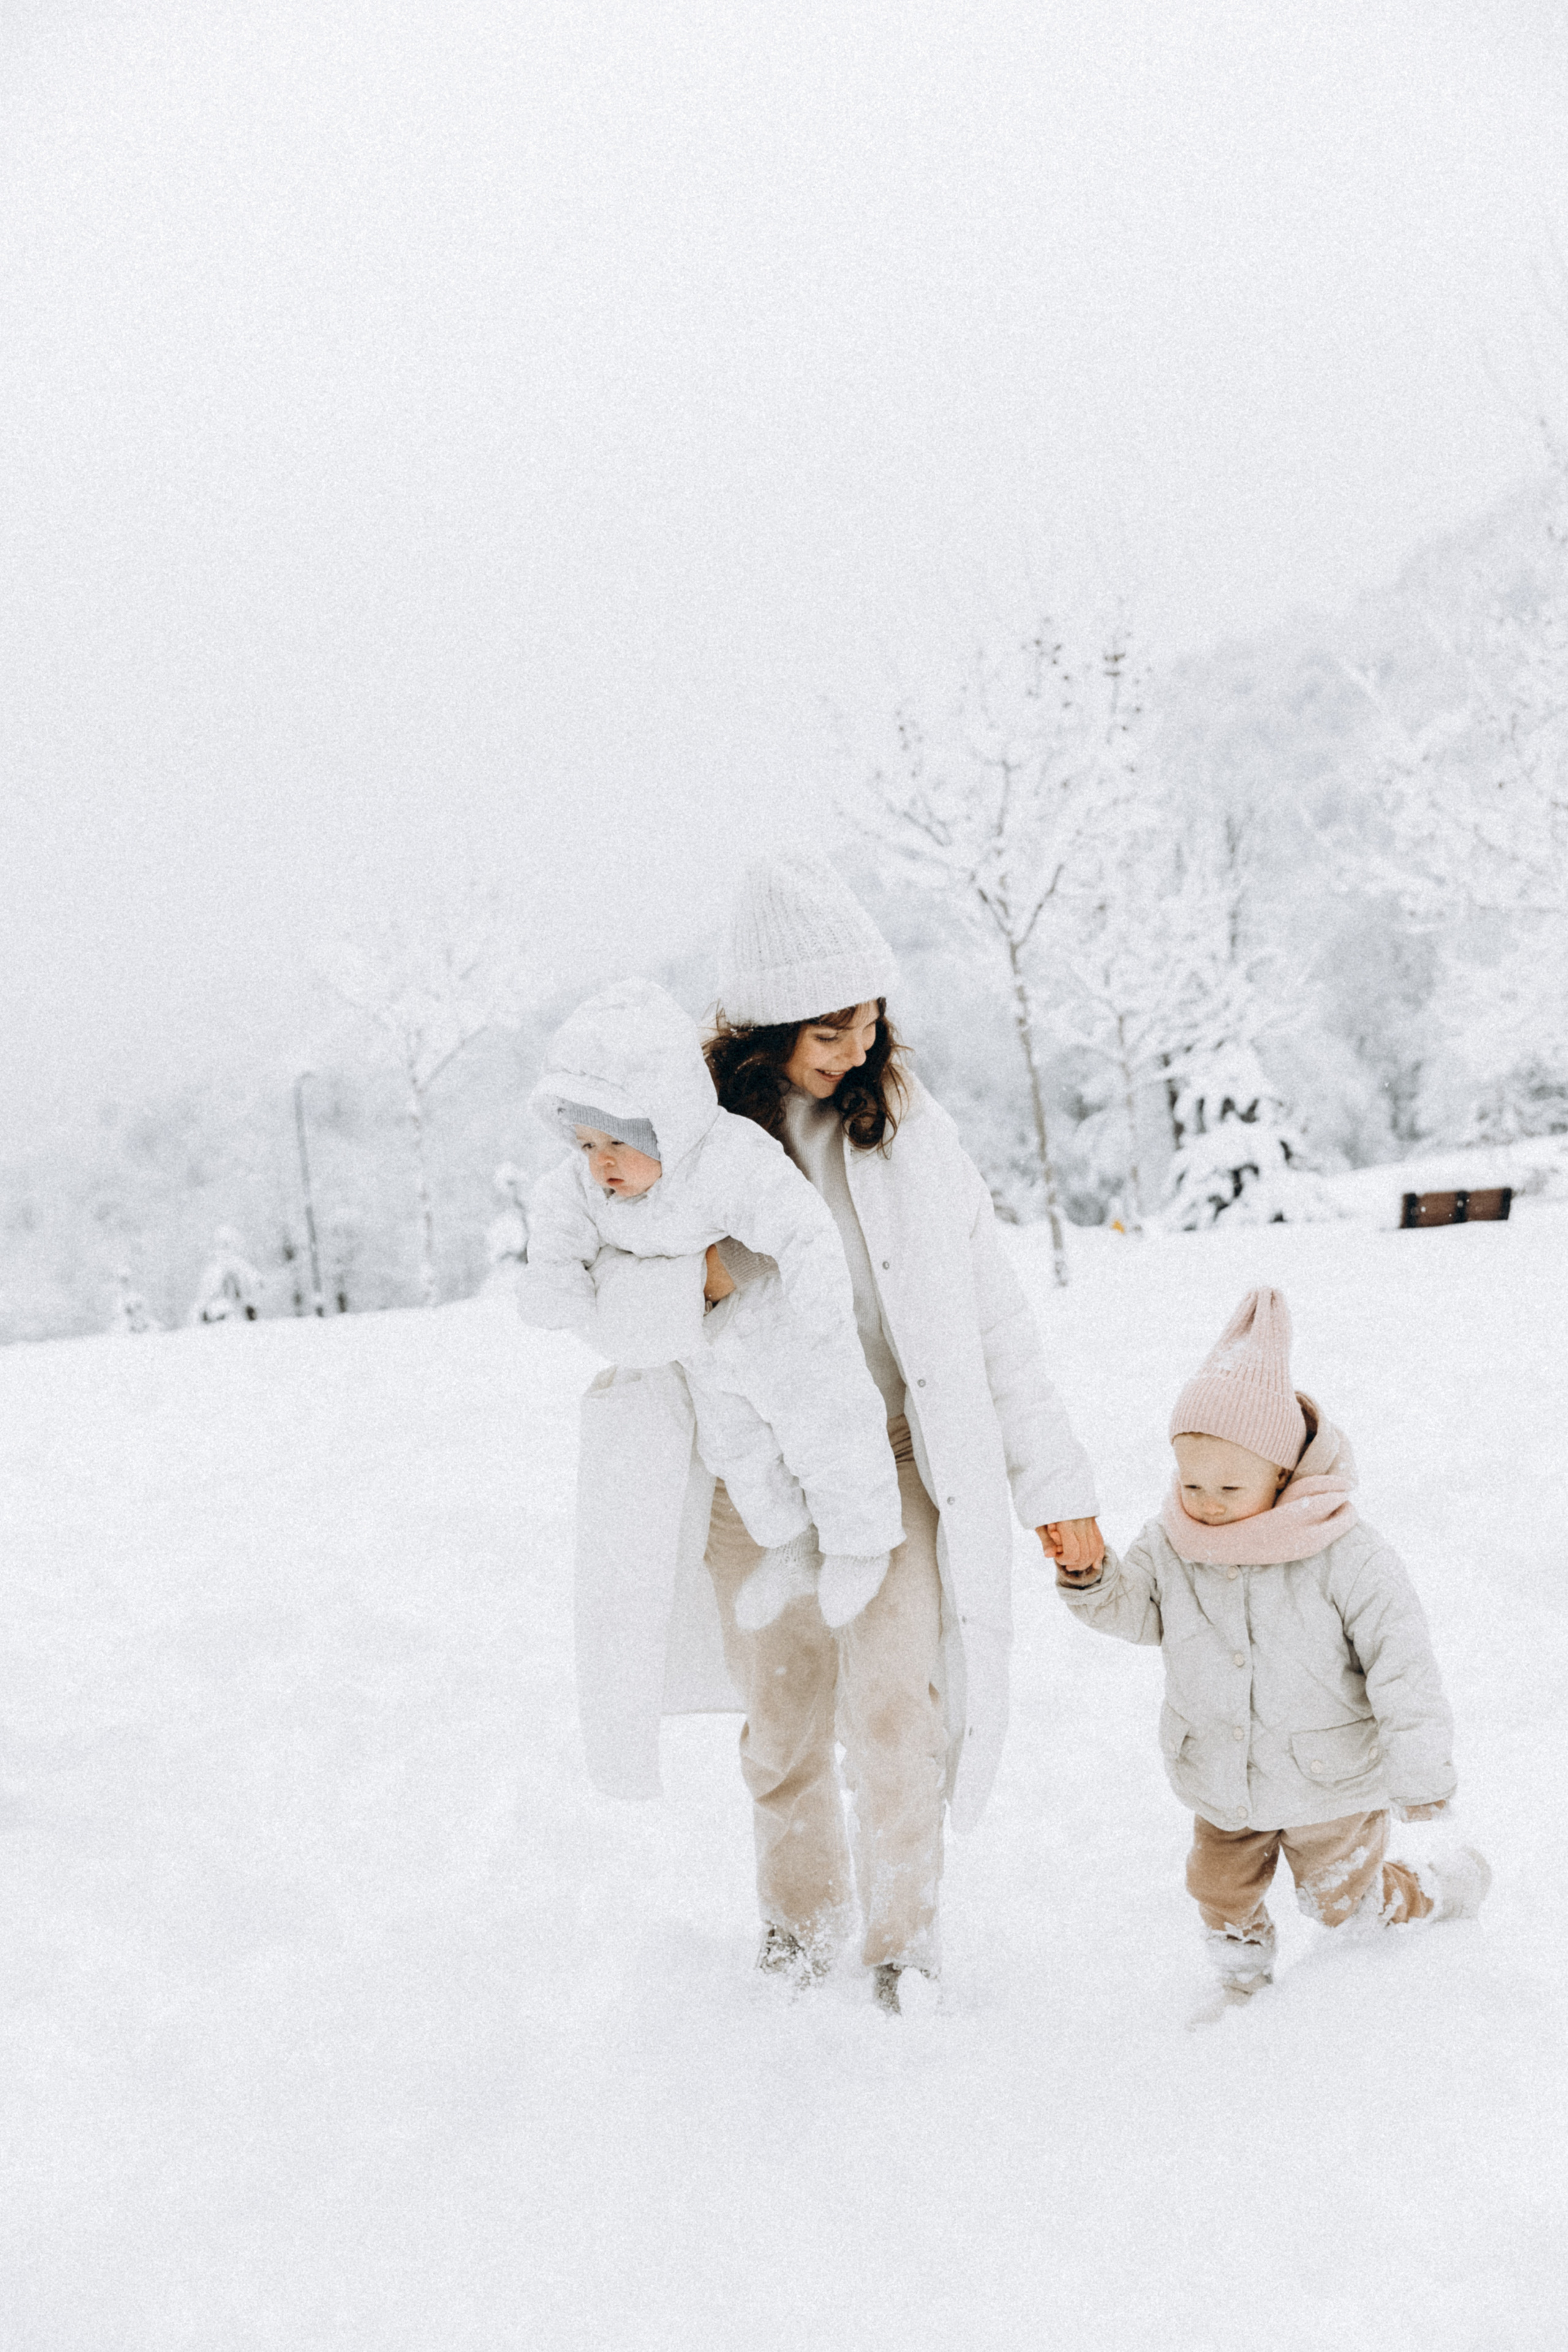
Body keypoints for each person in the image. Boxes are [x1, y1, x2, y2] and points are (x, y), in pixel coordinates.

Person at [694, 853, 1104, 2012]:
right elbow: (611, 1295)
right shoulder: (695, 1145)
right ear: (765, 1030)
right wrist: (695, 1287)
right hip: (758, 1485)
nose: (858, 1054)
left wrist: (1053, 1483)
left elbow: (994, 1315)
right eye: (830, 1034)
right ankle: (799, 1931)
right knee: (781, 1727)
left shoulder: (910, 1129)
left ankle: (900, 1950)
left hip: (896, 1462)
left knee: (896, 1714)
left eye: (871, 1026)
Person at [1055, 1284, 1490, 2018]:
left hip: (1332, 1783)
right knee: (1218, 1891)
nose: (1208, 1502)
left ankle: (1431, 1890)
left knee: (1340, 1903)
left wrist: (1420, 1775)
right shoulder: (1172, 1542)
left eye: (1230, 1484)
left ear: (1283, 1475)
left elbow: (1403, 1666)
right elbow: (1136, 1612)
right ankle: (1240, 1985)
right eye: (1191, 1483)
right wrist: (1091, 1576)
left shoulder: (1344, 1551)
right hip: (1221, 1778)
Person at [518, 975, 903, 1629]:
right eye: (586, 1144)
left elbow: (801, 1224)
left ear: (667, 1124)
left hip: (787, 1337)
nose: (600, 1164)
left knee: (828, 1432)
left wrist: (820, 1309)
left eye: (618, 1142)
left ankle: (859, 1546)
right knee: (741, 1453)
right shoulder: (585, 1187)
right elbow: (555, 1225)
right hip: (711, 1357)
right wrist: (555, 1282)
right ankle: (790, 1546)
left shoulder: (726, 1158)